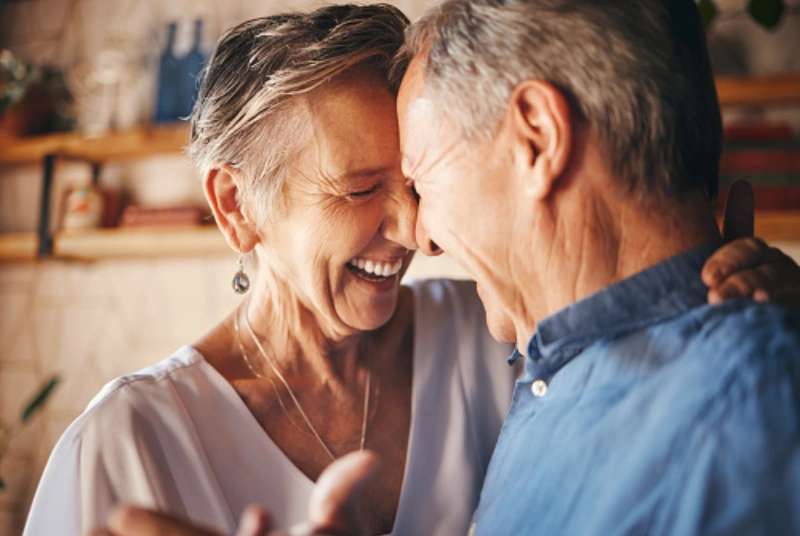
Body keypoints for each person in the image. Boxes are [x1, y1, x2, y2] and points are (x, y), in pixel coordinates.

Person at [31, 3, 800, 536]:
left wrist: (744, 324)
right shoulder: (123, 445)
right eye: (363, 188)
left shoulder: (511, 341)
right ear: (236, 207)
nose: (415, 233)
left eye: (419, 182)